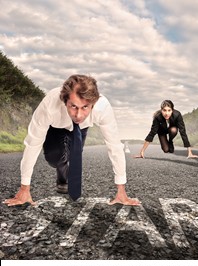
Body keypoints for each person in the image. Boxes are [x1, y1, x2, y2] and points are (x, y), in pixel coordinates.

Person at [4, 74, 140, 207]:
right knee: (54, 158)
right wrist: (24, 188)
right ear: (65, 101)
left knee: (72, 155)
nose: (79, 115)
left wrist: (121, 191)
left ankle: (65, 172)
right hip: (56, 127)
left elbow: (114, 146)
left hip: (81, 128)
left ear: (93, 104)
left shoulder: (102, 107)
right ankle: (61, 171)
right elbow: (33, 143)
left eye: (85, 107)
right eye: (73, 106)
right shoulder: (50, 104)